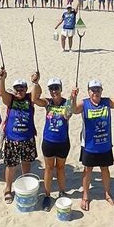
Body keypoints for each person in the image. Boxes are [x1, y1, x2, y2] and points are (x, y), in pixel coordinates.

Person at [71, 77, 114, 211]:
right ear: (88, 92)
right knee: (87, 170)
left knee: (105, 169)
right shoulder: (85, 103)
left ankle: (107, 194)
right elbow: (74, 110)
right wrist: (73, 96)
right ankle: (85, 196)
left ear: (101, 91)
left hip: (105, 145)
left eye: (98, 90)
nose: (95, 93)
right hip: (89, 145)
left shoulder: (106, 102)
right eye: (93, 90)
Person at [32, 76, 72, 211]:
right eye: (51, 88)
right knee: (49, 168)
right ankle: (47, 195)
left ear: (60, 89)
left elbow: (68, 114)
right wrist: (36, 83)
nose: (54, 91)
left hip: (63, 142)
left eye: (56, 88)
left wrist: (73, 97)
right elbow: (34, 99)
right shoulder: (47, 102)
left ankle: (62, 191)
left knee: (61, 168)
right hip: (49, 141)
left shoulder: (66, 102)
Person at [0, 69, 38, 204]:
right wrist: (2, 79)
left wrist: (36, 83)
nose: (19, 91)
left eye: (22, 88)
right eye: (17, 88)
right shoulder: (11, 99)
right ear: (14, 90)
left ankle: (25, 184)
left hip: (28, 138)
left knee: (26, 163)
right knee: (11, 165)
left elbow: (37, 93)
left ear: (26, 89)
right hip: (12, 139)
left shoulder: (29, 98)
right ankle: (8, 189)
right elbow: (2, 93)